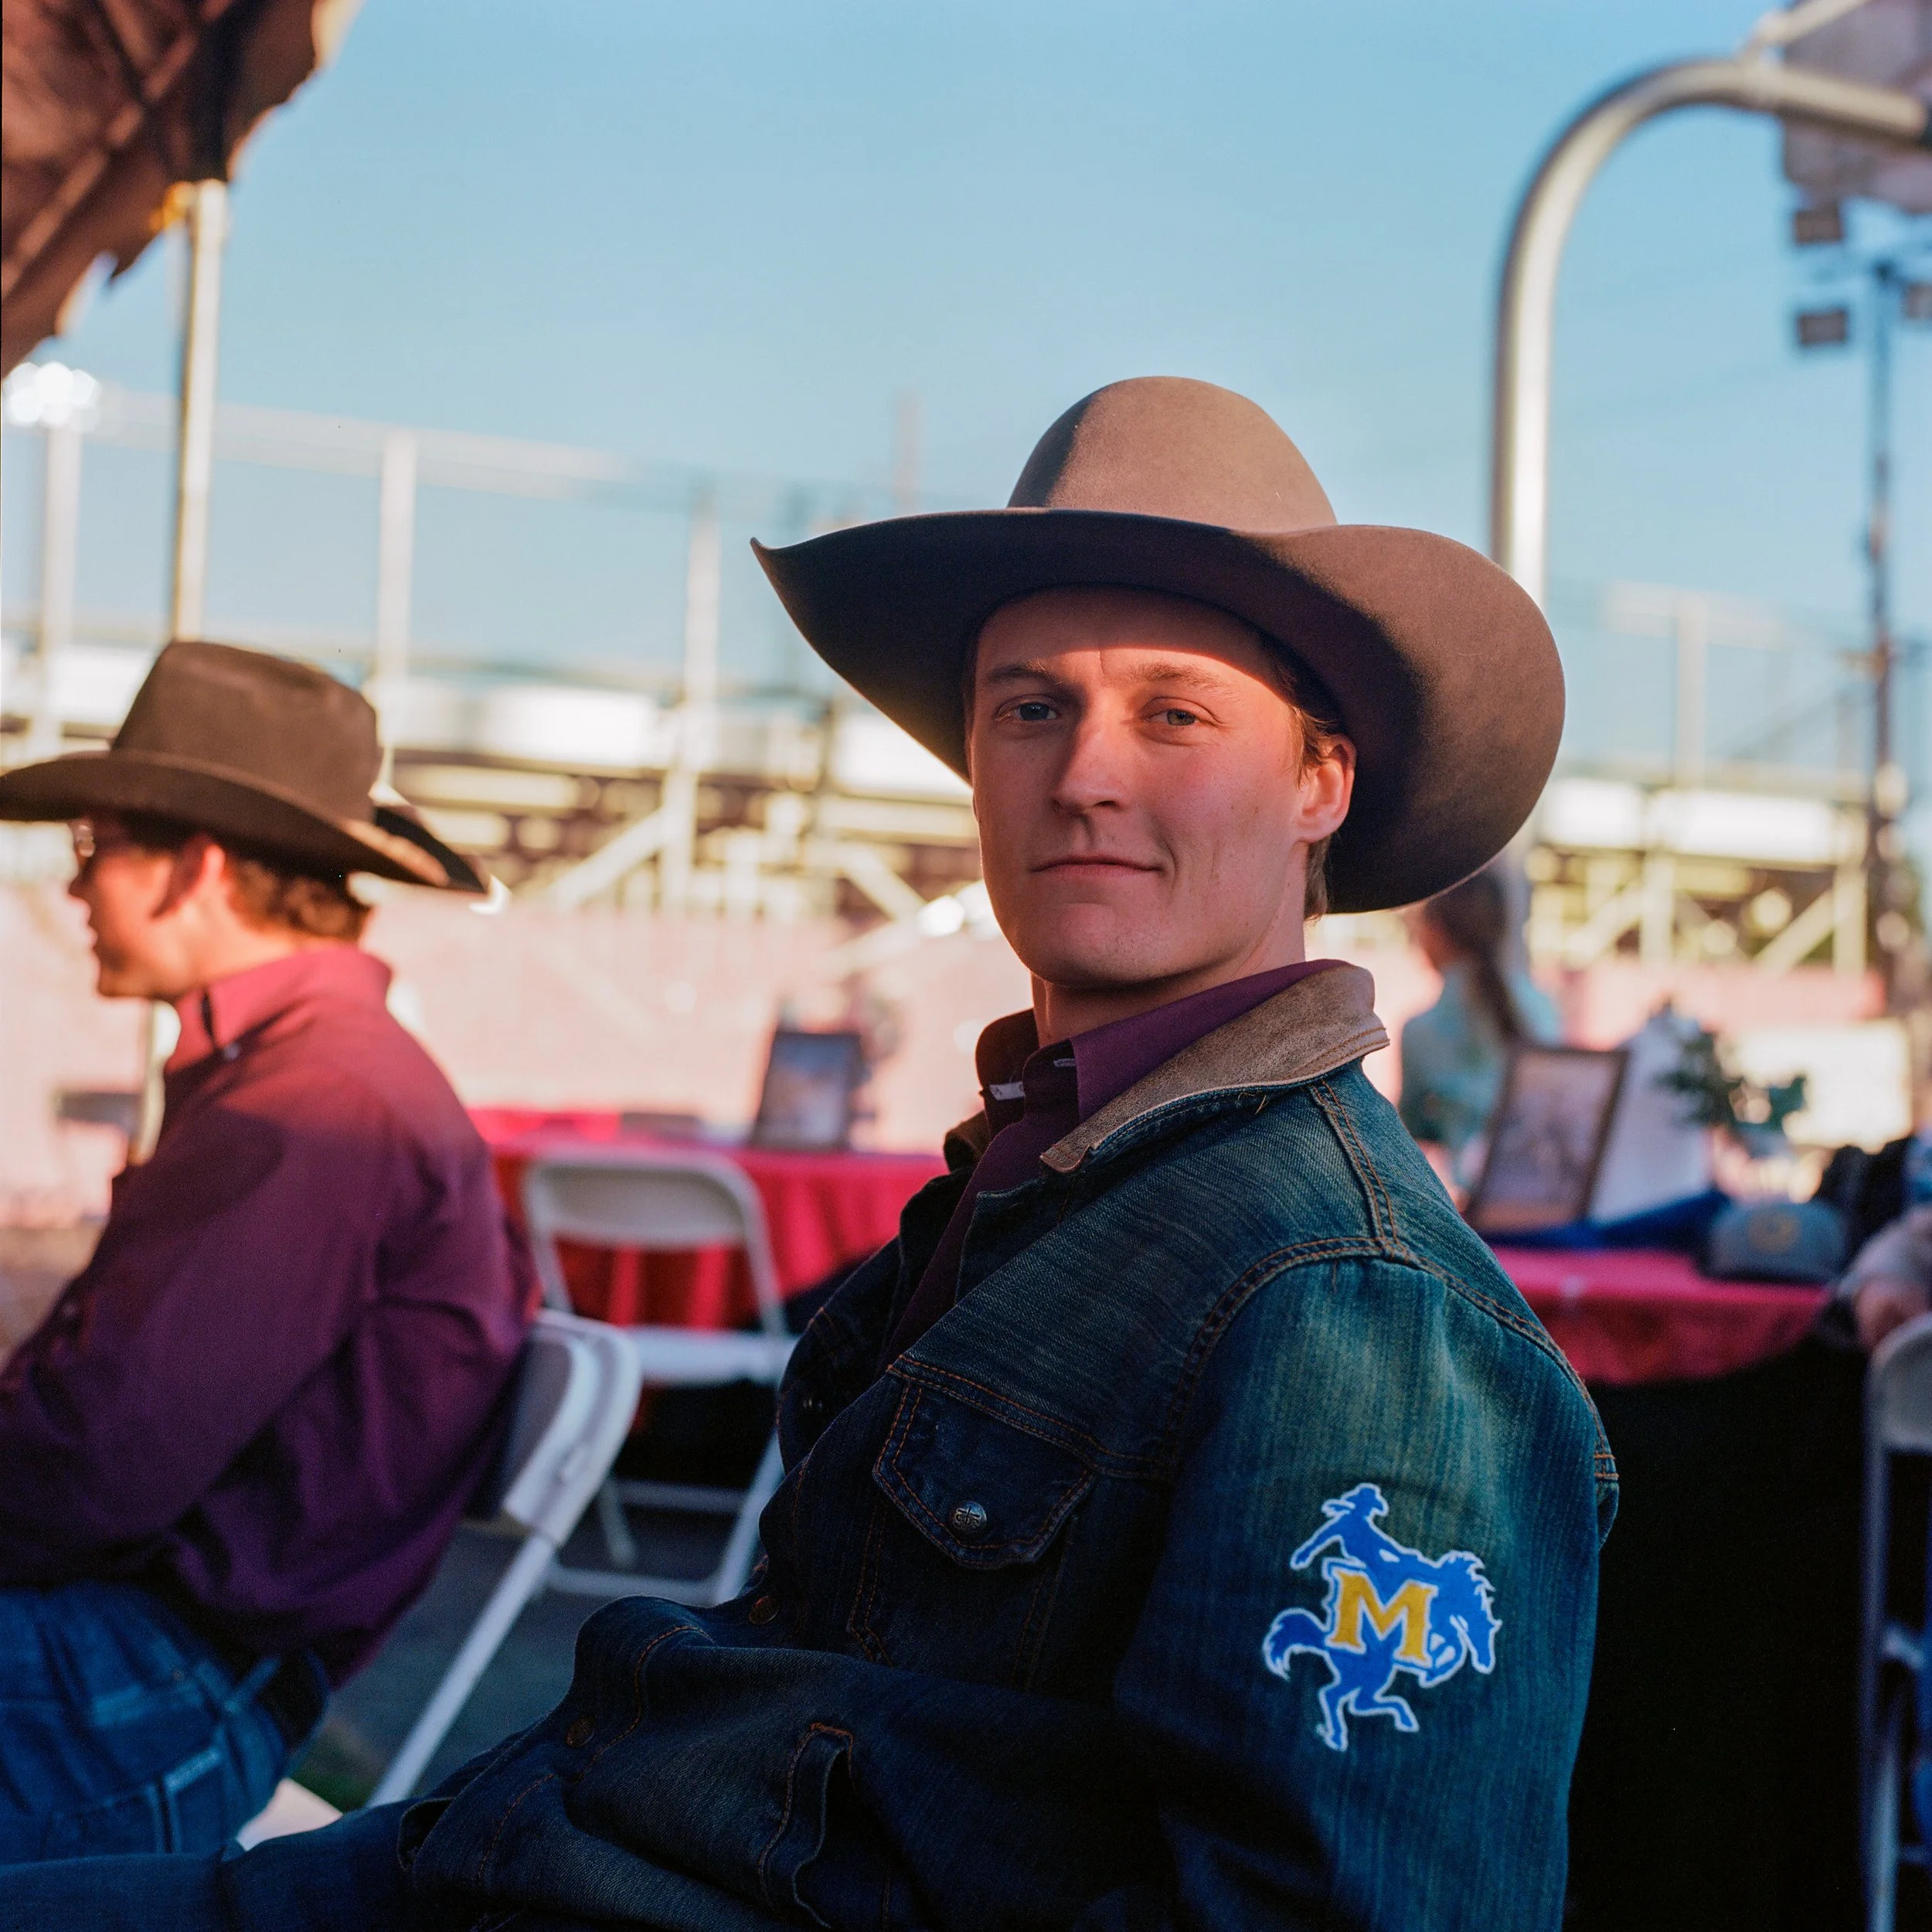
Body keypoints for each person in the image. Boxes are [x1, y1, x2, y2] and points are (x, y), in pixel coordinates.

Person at [6, 379, 1614, 1930]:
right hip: (511, 1849)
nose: (1085, 771)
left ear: (1318, 778)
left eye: (1172, 713)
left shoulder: (1357, 1311)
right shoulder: (1040, 1181)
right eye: (1028, 707)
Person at [0, 641, 536, 1863]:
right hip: (160, 1674)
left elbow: (94, 1467)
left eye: (94, 848)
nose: (75, 891)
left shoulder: (312, 1105)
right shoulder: (308, 1078)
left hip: (147, 1693)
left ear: (196, 868)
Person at [1399, 866, 1560, 1180]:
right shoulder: (1543, 1008)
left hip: (1479, 1215)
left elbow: (1410, 1131)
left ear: (1437, 930)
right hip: (1546, 1196)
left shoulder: (1421, 1031)